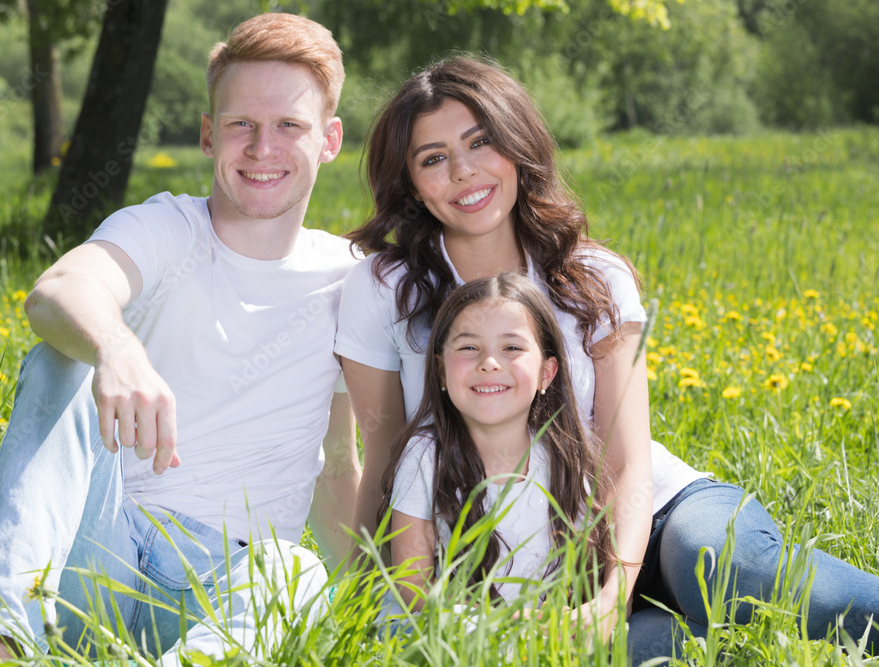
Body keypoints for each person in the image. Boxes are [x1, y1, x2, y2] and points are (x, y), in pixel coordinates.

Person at [335, 56, 879, 663]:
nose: (463, 172)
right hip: (515, 567)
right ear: (410, 183)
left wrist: (609, 599)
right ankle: (692, 631)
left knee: (725, 567)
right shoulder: (386, 288)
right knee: (557, 653)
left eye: (481, 142)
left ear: (518, 145)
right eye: (433, 158)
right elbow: (385, 450)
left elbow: (627, 458)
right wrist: (354, 610)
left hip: (653, 512)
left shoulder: (590, 275)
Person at [0, 13, 361, 666]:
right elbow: (59, 290)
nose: (263, 148)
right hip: (104, 554)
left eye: (289, 125)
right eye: (242, 125)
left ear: (329, 140)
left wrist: (394, 605)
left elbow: (339, 466)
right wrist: (116, 349)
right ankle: (1, 639)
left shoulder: (350, 280)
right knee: (60, 361)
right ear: (209, 134)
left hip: (230, 581)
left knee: (300, 572)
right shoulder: (167, 227)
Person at [381, 273, 615, 613]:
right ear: (442, 371)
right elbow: (410, 586)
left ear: (546, 374)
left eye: (512, 348)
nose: (489, 363)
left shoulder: (563, 456)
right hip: (450, 628)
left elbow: (577, 578)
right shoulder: (425, 456)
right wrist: (499, 625)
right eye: (469, 348)